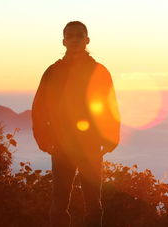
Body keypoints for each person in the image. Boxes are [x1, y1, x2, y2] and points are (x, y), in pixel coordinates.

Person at [32, 21, 120, 227]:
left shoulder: (99, 71)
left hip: (90, 145)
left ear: (87, 40)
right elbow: (39, 107)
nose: (74, 40)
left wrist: (111, 136)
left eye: (79, 36)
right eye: (70, 36)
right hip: (61, 145)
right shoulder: (53, 72)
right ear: (63, 41)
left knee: (93, 203)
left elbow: (110, 105)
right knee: (60, 202)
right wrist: (43, 139)